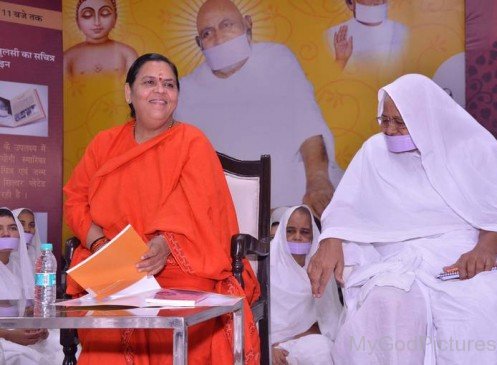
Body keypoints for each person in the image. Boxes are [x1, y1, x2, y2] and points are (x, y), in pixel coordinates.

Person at [307, 74, 497, 364]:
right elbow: (346, 207)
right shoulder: (374, 152)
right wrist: (331, 238)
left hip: (464, 253)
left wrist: (485, 249)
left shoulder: (473, 148)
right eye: (384, 121)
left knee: (480, 312)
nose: (391, 130)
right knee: (389, 303)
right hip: (398, 258)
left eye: (400, 121)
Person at [63, 53, 261, 364]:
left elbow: (200, 208)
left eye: (169, 84)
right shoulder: (104, 144)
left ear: (177, 96)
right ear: (129, 92)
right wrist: (101, 245)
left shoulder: (192, 142)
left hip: (179, 265)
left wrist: (165, 244)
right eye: (150, 82)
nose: (160, 91)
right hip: (115, 269)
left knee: (183, 318)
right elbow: (75, 200)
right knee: (107, 328)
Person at [175, 0, 342, 217]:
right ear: (199, 43)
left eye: (227, 25)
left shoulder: (278, 59)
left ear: (248, 24)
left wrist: (318, 180)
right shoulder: (186, 90)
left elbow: (308, 124)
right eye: (208, 33)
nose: (218, 39)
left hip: (300, 196)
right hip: (230, 213)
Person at [271, 205, 341, 365]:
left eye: (304, 232)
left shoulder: (320, 272)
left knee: (321, 350)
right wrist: (267, 347)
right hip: (272, 349)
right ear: (282, 233)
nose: (297, 237)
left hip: (311, 346)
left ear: (312, 237)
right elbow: (253, 317)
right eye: (290, 231)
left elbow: (329, 321)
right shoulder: (266, 270)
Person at [0, 208, 63, 365]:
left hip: (20, 333)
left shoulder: (20, 266)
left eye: (12, 228)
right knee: (24, 358)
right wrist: (8, 335)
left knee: (63, 347)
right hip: (4, 339)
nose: (6, 233)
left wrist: (38, 328)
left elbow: (27, 309)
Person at [327, 0, 408, 71]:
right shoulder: (330, 36)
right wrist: (341, 60)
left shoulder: (402, 32)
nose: (379, 2)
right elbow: (328, 79)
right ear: (350, 3)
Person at [64, 0, 138, 77]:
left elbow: (133, 86)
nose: (97, 22)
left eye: (105, 13)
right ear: (77, 21)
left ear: (115, 18)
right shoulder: (68, 57)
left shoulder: (127, 53)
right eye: (87, 15)